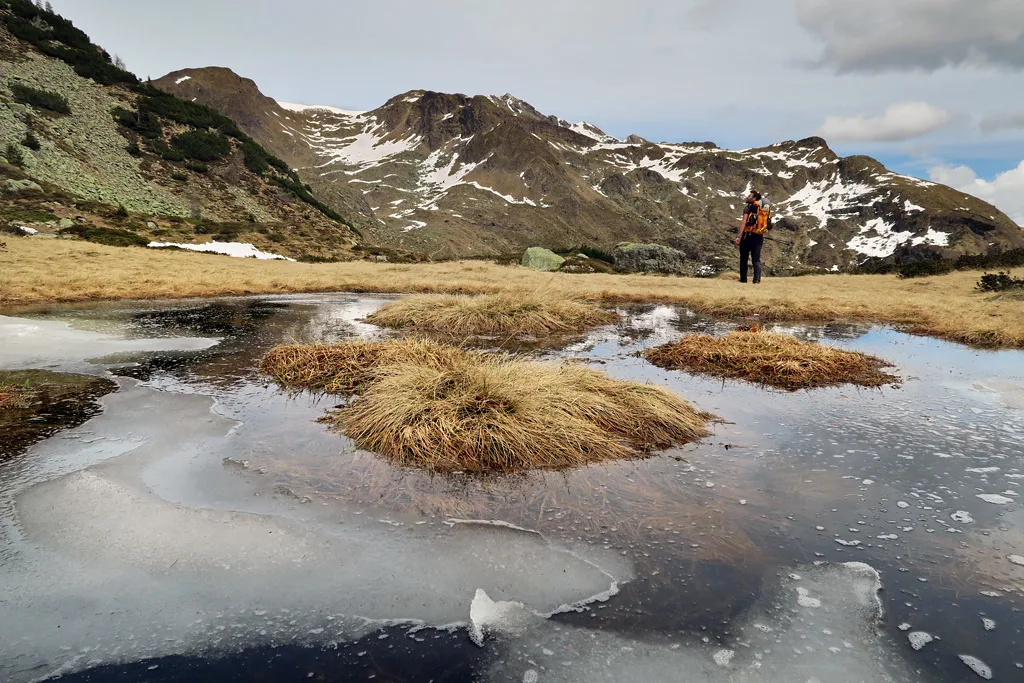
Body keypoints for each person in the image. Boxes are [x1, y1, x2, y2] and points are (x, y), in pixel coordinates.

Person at [734, 190, 763, 284]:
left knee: (744, 258)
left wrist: (738, 236)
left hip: (747, 236)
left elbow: (743, 222)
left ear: (754, 198)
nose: (747, 197)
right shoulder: (761, 209)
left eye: (749, 196)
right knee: (756, 259)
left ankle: (743, 279)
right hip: (758, 236)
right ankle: (757, 279)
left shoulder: (748, 208)